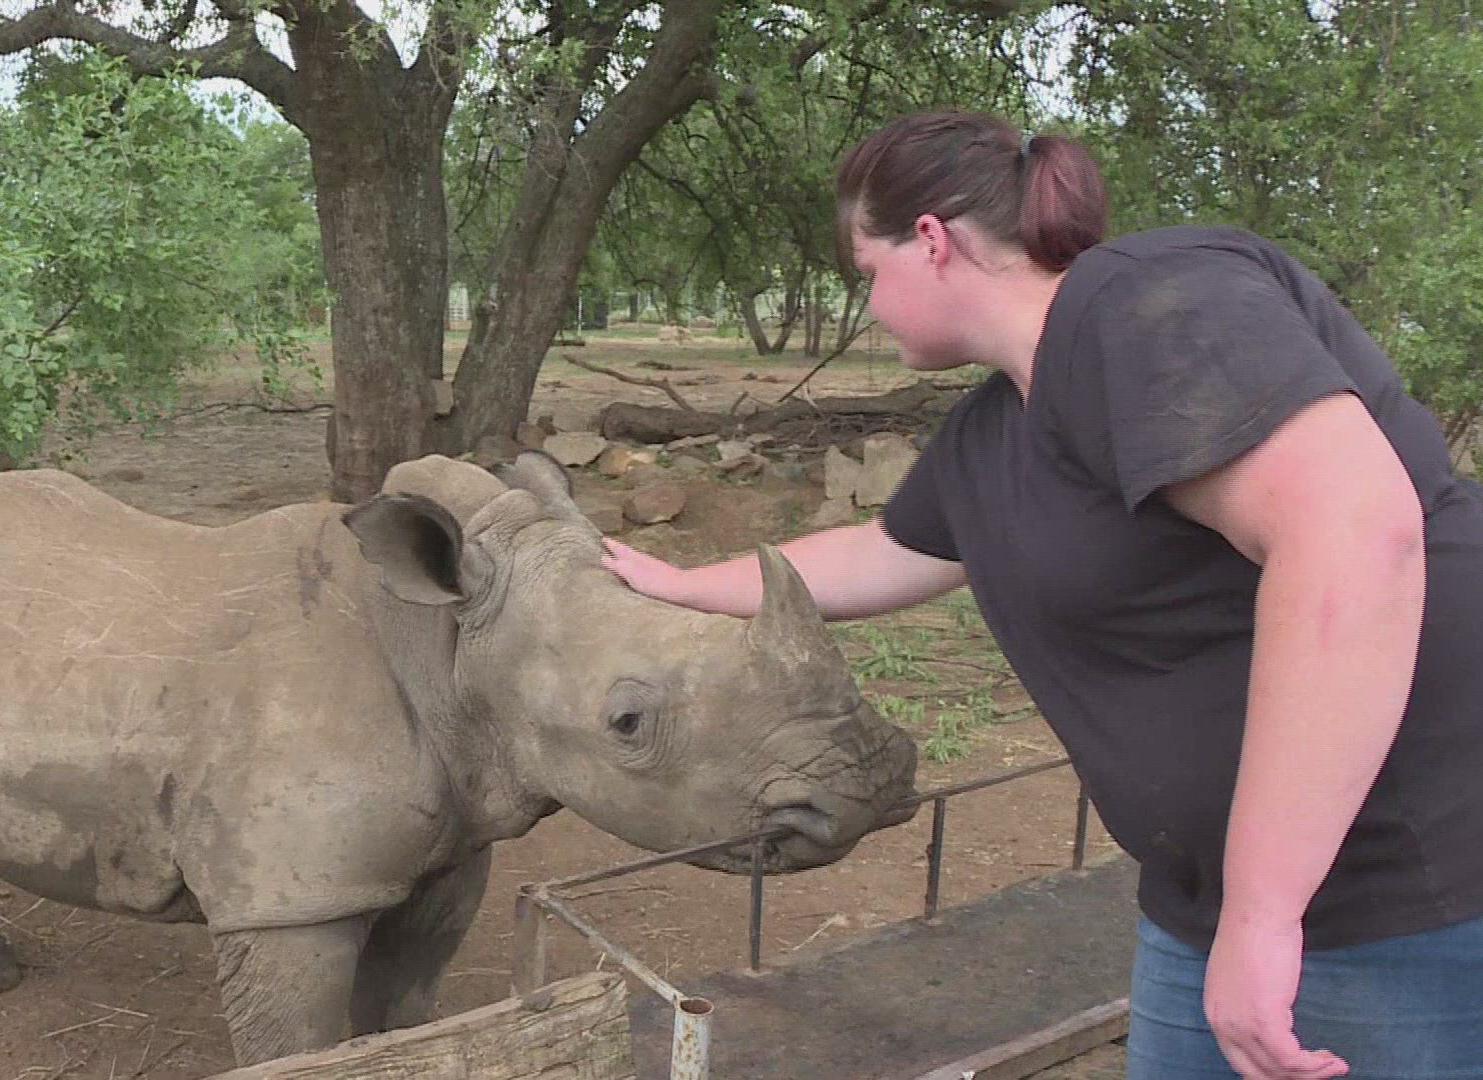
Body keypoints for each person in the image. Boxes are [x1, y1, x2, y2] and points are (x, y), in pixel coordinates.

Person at [601, 109, 1483, 1080]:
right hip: (1199, 907)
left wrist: (1265, 915)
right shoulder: (993, 433)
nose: (872, 307)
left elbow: (1354, 535)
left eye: (868, 272)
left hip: (1406, 900)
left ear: (931, 240)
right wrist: (677, 583)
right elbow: (879, 551)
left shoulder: (1149, 302)